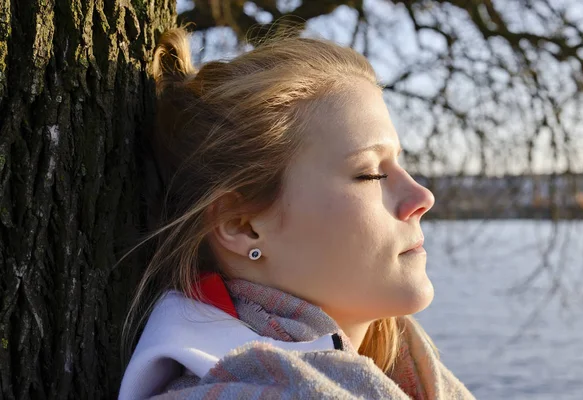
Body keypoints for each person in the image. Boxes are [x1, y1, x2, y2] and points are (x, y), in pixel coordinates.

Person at [118, 26, 475, 400]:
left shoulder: (408, 376)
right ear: (242, 226)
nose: (422, 196)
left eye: (399, 163)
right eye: (369, 173)